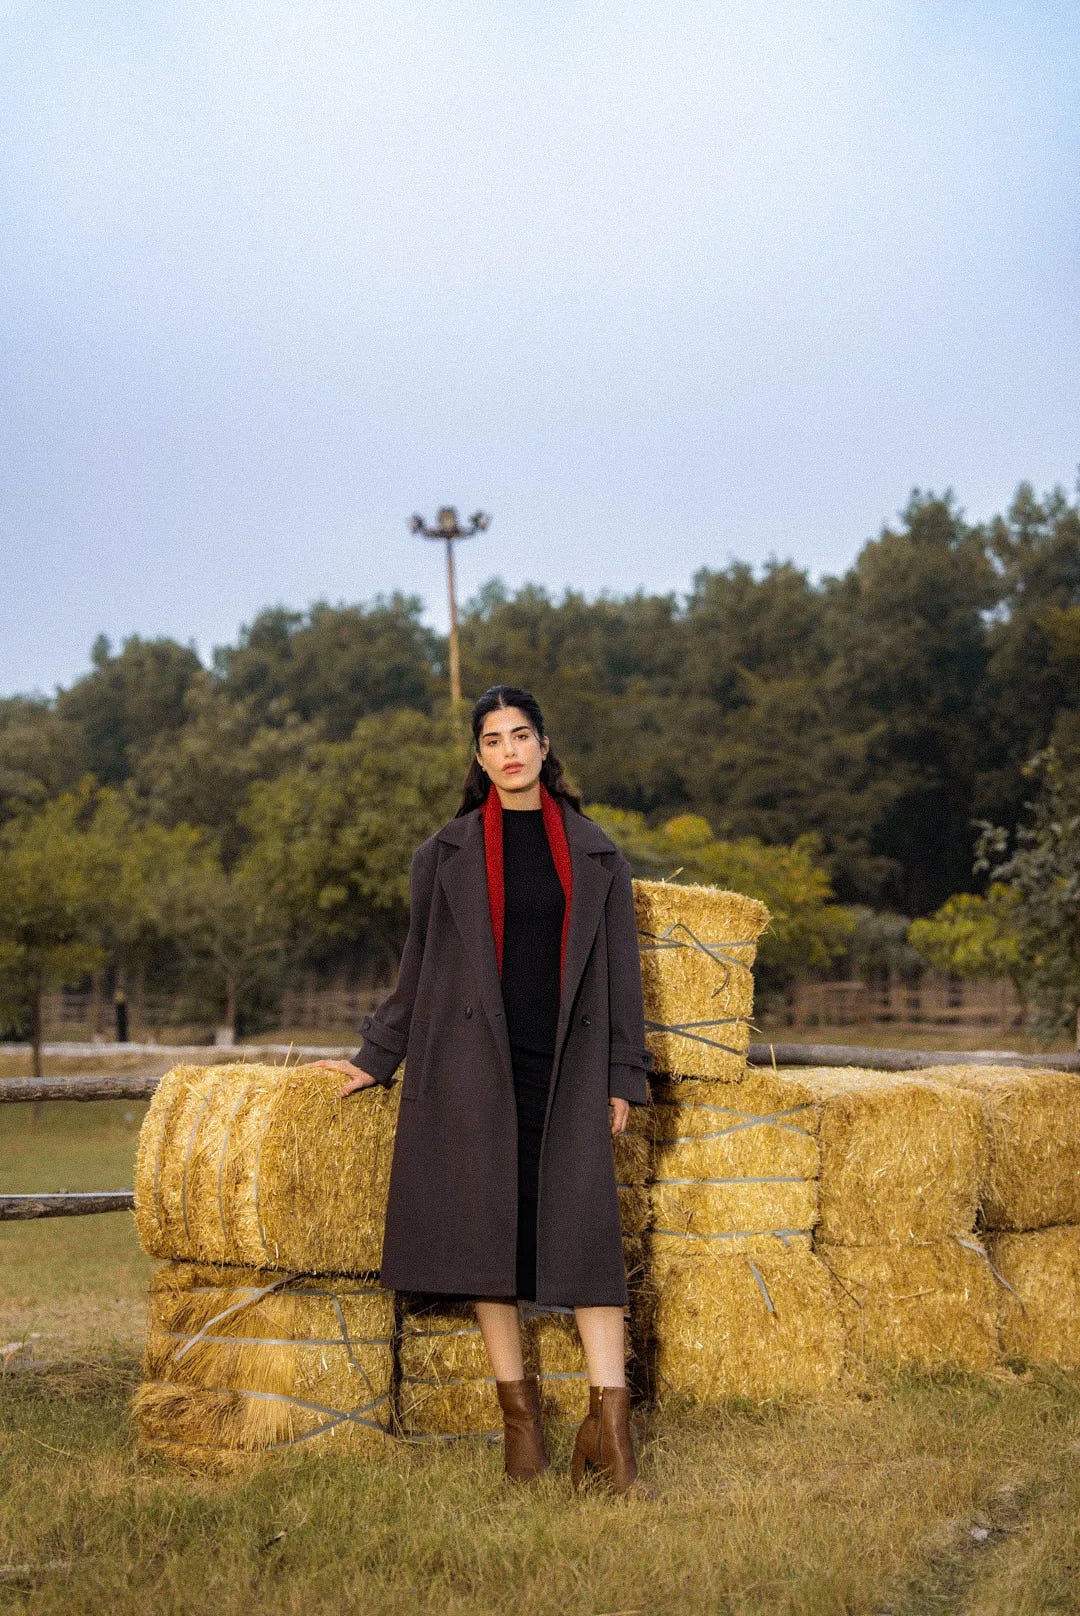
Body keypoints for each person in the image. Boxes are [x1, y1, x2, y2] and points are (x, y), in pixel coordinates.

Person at [314, 684, 653, 1492]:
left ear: (544, 746)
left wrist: (620, 1075)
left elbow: (621, 979)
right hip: (475, 1065)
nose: (509, 750)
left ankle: (612, 1438)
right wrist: (375, 1056)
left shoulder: (599, 853)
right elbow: (417, 968)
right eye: (493, 739)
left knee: (587, 1246)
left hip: (568, 1070)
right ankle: (522, 1429)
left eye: (521, 735)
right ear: (480, 757)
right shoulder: (444, 854)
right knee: (487, 1241)